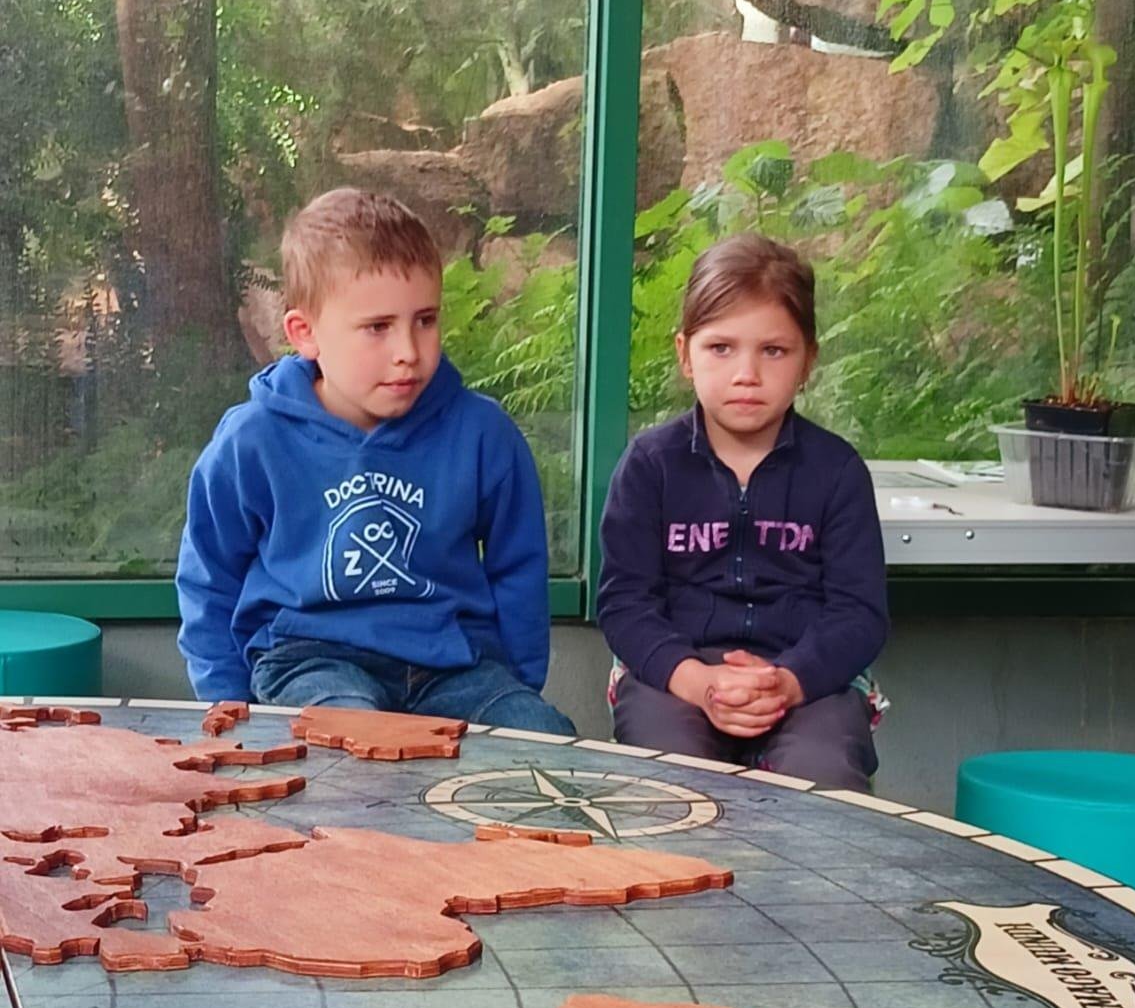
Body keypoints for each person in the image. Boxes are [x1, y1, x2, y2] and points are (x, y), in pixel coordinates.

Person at [177, 187, 574, 733]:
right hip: (312, 659)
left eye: (425, 320)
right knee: (354, 743)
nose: (408, 351)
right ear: (305, 333)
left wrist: (519, 689)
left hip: (456, 666)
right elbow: (209, 576)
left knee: (544, 739)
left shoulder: (483, 434)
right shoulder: (252, 440)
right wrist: (226, 699)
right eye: (378, 327)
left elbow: (518, 569)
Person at [597, 232, 887, 791]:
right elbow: (625, 604)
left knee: (825, 775)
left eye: (773, 351)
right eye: (721, 348)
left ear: (808, 360)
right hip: (676, 676)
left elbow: (859, 613)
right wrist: (699, 682)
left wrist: (790, 681)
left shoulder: (837, 471)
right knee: (669, 777)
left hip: (808, 679)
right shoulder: (650, 466)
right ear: (685, 354)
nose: (746, 374)